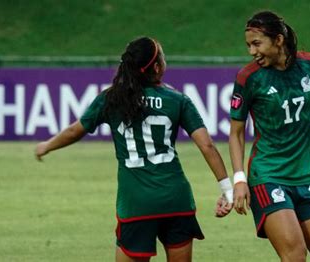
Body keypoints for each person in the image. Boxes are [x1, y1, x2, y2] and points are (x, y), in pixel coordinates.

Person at [35, 36, 234, 262]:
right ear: (157, 67)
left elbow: (75, 131)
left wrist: (47, 145)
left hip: (137, 204)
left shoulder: (110, 99)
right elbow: (206, 145)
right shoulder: (177, 100)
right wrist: (227, 190)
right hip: (176, 200)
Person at [229, 11, 310, 262]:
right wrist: (239, 179)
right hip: (268, 177)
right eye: (248, 45)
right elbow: (236, 133)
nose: (251, 52)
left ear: (278, 40)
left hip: (306, 178)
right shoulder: (249, 77)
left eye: (257, 43)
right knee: (295, 256)